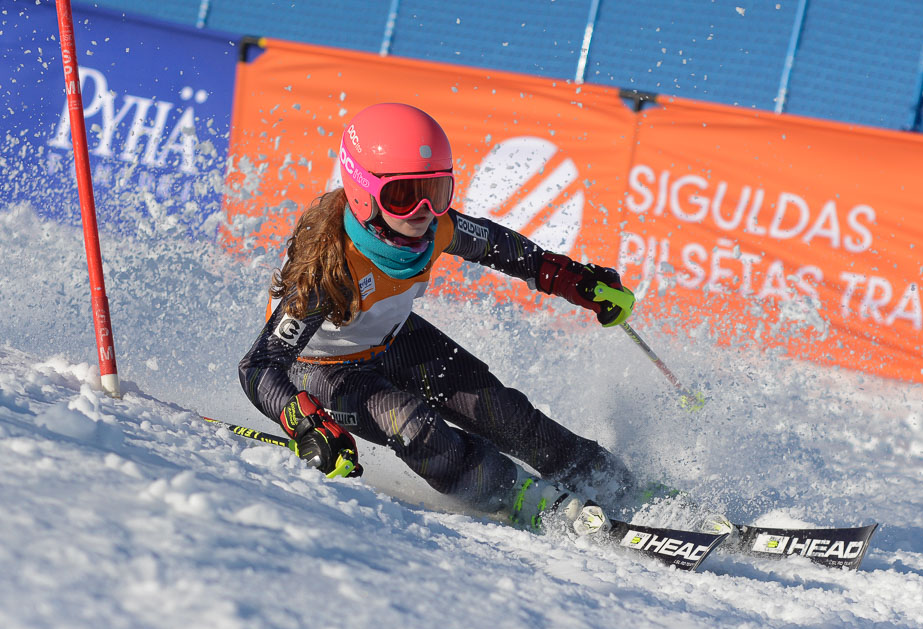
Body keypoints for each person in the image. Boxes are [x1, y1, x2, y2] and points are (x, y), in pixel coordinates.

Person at [238, 102, 638, 536]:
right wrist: (305, 422)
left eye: (437, 190)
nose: (425, 210)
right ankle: (519, 496)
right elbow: (259, 367)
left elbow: (501, 248)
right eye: (404, 196)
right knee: (411, 423)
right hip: (322, 371)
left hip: (390, 342)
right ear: (363, 193)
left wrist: (570, 280)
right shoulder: (328, 267)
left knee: (504, 413)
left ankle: (608, 479)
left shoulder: (436, 229)